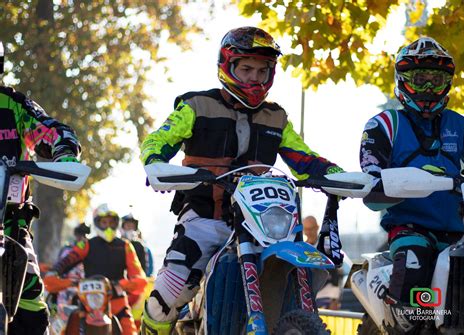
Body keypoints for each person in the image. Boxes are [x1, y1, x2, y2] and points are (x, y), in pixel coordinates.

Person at [139, 26, 344, 334]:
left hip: (264, 225)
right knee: (169, 293)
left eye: (263, 70)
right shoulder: (196, 105)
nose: (255, 78)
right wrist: (155, 164)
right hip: (207, 219)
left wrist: (337, 176)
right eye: (247, 68)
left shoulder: (277, 117)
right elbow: (158, 141)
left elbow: (305, 159)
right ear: (228, 66)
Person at [360, 37, 464, 334]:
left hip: (461, 230)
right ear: (404, 80)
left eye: (436, 81)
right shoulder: (384, 124)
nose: (428, 89)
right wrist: (383, 178)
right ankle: (403, 324)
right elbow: (370, 167)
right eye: (421, 79)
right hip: (411, 227)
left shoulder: (459, 124)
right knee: (414, 265)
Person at [0, 41, 81, 334]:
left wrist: (63, 150)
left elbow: (50, 129)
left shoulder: (13, 105)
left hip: (9, 223)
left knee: (32, 306)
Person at [44, 204, 147, 335]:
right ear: (97, 223)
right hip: (88, 304)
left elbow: (140, 279)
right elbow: (65, 262)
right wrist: (56, 272)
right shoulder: (86, 244)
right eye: (104, 222)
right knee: (60, 329)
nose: (108, 226)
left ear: (116, 223)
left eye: (111, 222)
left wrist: (120, 284)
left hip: (118, 303)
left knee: (130, 332)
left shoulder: (125, 246)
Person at [302, 215, 341, 310]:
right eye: (306, 229)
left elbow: (335, 274)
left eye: (311, 229)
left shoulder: (327, 248)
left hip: (326, 295)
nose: (309, 232)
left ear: (317, 228)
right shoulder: (301, 249)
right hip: (307, 296)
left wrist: (334, 299)